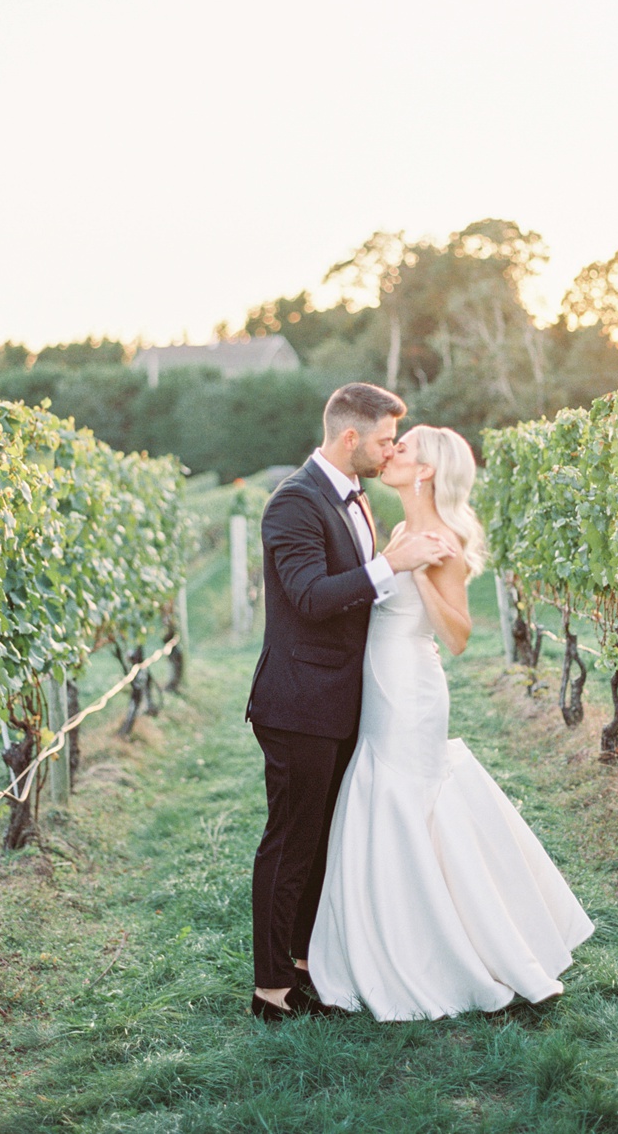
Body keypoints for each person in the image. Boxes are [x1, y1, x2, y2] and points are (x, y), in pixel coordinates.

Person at [308, 425, 595, 1021]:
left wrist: (414, 572)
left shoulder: (441, 539)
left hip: (411, 689)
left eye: (403, 447)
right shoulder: (403, 530)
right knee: (386, 801)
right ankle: (398, 936)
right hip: (381, 685)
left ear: (427, 470)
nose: (391, 453)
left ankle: (440, 952)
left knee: (407, 804)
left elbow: (459, 636)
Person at [247, 385, 456, 1021]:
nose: (391, 449)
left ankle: (306, 964)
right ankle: (270, 988)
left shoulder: (356, 498)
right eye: (385, 440)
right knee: (288, 842)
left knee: (320, 840)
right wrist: (391, 564)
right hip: (298, 702)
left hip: (343, 699)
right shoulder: (293, 503)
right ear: (350, 439)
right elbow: (310, 597)